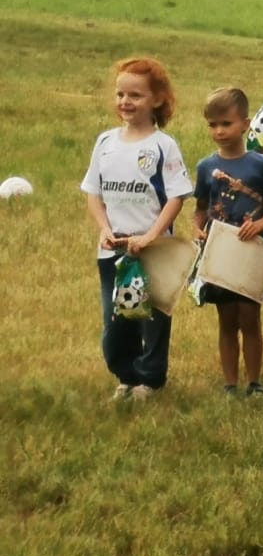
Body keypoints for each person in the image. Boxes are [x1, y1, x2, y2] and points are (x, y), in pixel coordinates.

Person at [81, 57, 194, 400]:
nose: (125, 102)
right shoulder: (105, 142)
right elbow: (93, 194)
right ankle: (125, 376)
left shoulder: (163, 145)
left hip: (152, 251)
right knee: (117, 321)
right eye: (120, 94)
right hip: (113, 252)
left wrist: (152, 235)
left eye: (135, 95)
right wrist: (103, 229)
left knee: (152, 319)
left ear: (157, 99)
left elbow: (177, 196)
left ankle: (149, 380)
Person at [192, 87, 263, 397]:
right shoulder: (206, 167)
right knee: (226, 320)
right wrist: (199, 230)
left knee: (250, 319)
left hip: (251, 254)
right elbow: (200, 210)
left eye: (226, 124)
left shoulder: (261, 165)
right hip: (219, 254)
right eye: (212, 124)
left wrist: (258, 225)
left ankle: (254, 382)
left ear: (245, 124)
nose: (219, 131)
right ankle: (230, 384)